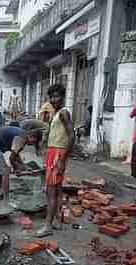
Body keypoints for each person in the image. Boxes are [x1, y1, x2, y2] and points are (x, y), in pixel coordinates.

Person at [35, 84, 74, 238]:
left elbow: (72, 137)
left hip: (58, 153)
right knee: (57, 189)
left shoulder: (64, 113)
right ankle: (56, 220)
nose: (53, 99)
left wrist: (61, 160)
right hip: (54, 152)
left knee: (50, 190)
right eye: (51, 97)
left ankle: (47, 226)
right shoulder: (57, 113)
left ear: (63, 97)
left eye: (57, 96)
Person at [0, 121, 46, 205]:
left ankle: (1, 190)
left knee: (1, 169)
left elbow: (16, 153)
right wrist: (17, 169)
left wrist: (24, 166)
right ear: (31, 136)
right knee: (5, 171)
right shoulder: (21, 138)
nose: (31, 145)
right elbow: (11, 158)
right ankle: (6, 200)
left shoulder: (23, 135)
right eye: (33, 142)